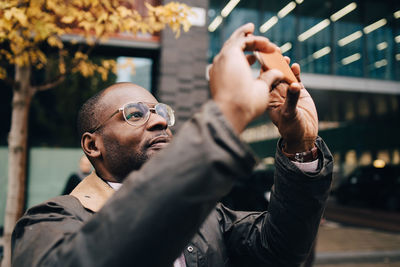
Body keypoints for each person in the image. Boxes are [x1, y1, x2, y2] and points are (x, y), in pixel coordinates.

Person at [11, 23, 333, 267]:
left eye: (162, 112)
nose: (160, 121)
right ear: (92, 145)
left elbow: (281, 250)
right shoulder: (49, 223)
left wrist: (299, 145)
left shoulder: (209, 216)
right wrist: (227, 113)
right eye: (134, 114)